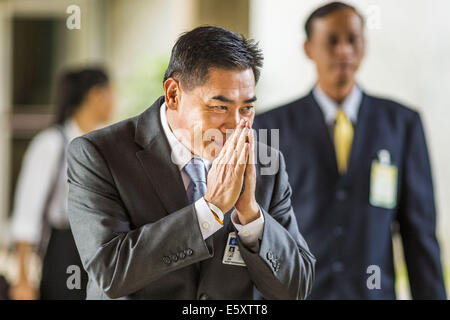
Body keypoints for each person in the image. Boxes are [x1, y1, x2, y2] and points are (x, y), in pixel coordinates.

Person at [67, 26, 315, 300]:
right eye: (220, 107)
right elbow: (110, 272)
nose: (235, 126)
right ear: (174, 94)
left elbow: (297, 288)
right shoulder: (98, 154)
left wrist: (252, 218)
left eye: (246, 108)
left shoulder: (266, 164)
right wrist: (210, 210)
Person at [255, 2, 447, 299]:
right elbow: (256, 228)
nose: (343, 50)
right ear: (309, 49)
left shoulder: (402, 124)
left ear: (364, 46)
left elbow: (419, 234)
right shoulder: (269, 128)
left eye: (352, 40)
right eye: (331, 40)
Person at [9, 68, 114, 300]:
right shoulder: (51, 143)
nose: (114, 101)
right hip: (65, 249)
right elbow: (27, 213)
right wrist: (23, 279)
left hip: (101, 248)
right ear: (96, 95)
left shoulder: (107, 142)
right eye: (110, 93)